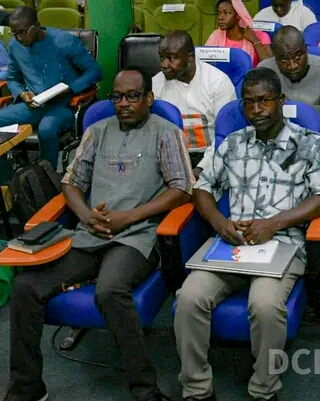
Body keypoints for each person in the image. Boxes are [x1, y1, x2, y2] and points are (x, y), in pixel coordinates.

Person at [4, 67, 194, 401]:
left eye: (133, 96)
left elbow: (181, 189)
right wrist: (85, 215)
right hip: (89, 233)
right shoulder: (97, 131)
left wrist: (129, 217)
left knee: (110, 290)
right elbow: (71, 183)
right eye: (117, 97)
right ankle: (27, 387)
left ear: (149, 98)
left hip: (136, 235)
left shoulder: (165, 133)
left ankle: (145, 389)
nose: (124, 103)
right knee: (26, 287)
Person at [174, 67, 320, 401]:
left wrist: (274, 223)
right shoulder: (233, 143)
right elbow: (202, 188)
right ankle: (196, 388)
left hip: (283, 244)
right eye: (248, 103)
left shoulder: (309, 144)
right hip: (233, 243)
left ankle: (264, 388)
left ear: (281, 100)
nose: (256, 110)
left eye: (264, 101)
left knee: (264, 305)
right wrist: (220, 223)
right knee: (188, 298)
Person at [259, 26, 320, 196]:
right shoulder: (264, 73)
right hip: (276, 144)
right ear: (274, 56)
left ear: (306, 49)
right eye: (283, 59)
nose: (292, 65)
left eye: (298, 56)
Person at [0, 6, 102, 168]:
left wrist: (71, 88)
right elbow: (13, 78)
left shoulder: (64, 41)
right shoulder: (15, 46)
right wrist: (22, 93)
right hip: (33, 105)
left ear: (37, 25)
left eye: (23, 32)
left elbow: (95, 71)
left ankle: (46, 178)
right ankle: (6, 176)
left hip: (63, 104)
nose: (19, 38)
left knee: (47, 129)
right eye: (14, 33)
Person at [152, 30, 237, 178]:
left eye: (172, 58)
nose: (163, 64)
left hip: (213, 156)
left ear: (190, 57)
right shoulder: (156, 84)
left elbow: (227, 135)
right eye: (162, 57)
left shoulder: (218, 82)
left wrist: (201, 169)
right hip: (172, 158)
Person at [206, 0, 272, 67]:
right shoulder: (216, 36)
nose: (220, 17)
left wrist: (255, 40)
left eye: (226, 13)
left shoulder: (260, 36)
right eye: (219, 13)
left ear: (238, 15)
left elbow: (270, 66)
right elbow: (205, 62)